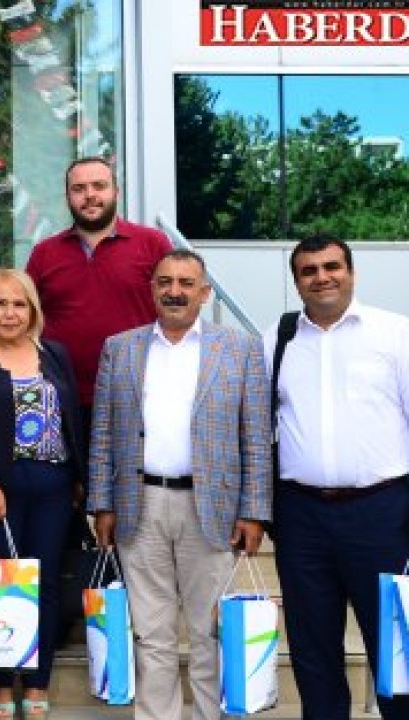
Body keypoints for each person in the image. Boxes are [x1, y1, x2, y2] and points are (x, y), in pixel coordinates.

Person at [88, 249, 271, 720]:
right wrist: (101, 503)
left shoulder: (241, 349)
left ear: (204, 293)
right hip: (139, 504)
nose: (175, 291)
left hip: (212, 508)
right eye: (165, 282)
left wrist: (254, 510)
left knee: (210, 632)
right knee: (151, 633)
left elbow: (256, 436)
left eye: (186, 283)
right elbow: (103, 432)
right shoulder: (120, 348)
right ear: (152, 290)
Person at [267, 236, 409, 719]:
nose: (322, 277)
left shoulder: (394, 333)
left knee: (395, 645)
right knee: (312, 647)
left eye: (332, 266)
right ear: (296, 281)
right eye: (309, 270)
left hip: (381, 513)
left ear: (351, 272)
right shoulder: (277, 339)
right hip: (301, 515)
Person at [0, 270, 84, 720]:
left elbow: (71, 418)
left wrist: (79, 478)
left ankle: (38, 682)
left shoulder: (55, 354)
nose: (10, 313)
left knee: (45, 584)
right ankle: (1, 684)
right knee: (0, 585)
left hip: (53, 487)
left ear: (33, 311)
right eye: (0, 304)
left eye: (19, 304)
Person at [25, 156, 171, 425]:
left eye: (99, 186)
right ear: (68, 197)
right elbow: (27, 321)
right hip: (62, 397)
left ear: (116, 192)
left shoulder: (153, 244)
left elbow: (175, 314)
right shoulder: (44, 253)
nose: (89, 195)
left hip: (137, 395)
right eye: (79, 189)